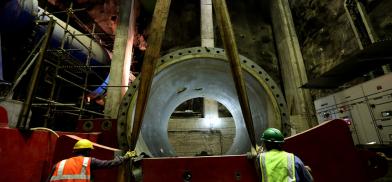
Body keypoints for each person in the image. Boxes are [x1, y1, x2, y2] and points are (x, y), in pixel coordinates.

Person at [47, 139, 135, 182]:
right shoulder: (89, 161)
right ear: (88, 151)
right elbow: (110, 163)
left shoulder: (59, 164)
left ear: (74, 151)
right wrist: (125, 157)